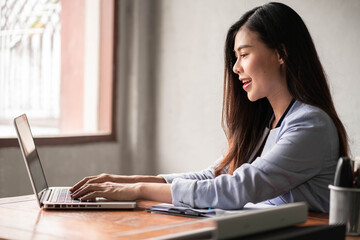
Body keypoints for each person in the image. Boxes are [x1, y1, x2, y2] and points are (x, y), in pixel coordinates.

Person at [70, 2, 348, 213]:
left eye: (244, 55)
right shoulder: (269, 124)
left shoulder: (310, 124)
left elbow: (236, 189)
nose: (236, 68)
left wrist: (137, 190)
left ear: (281, 54)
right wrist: (121, 181)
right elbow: (213, 175)